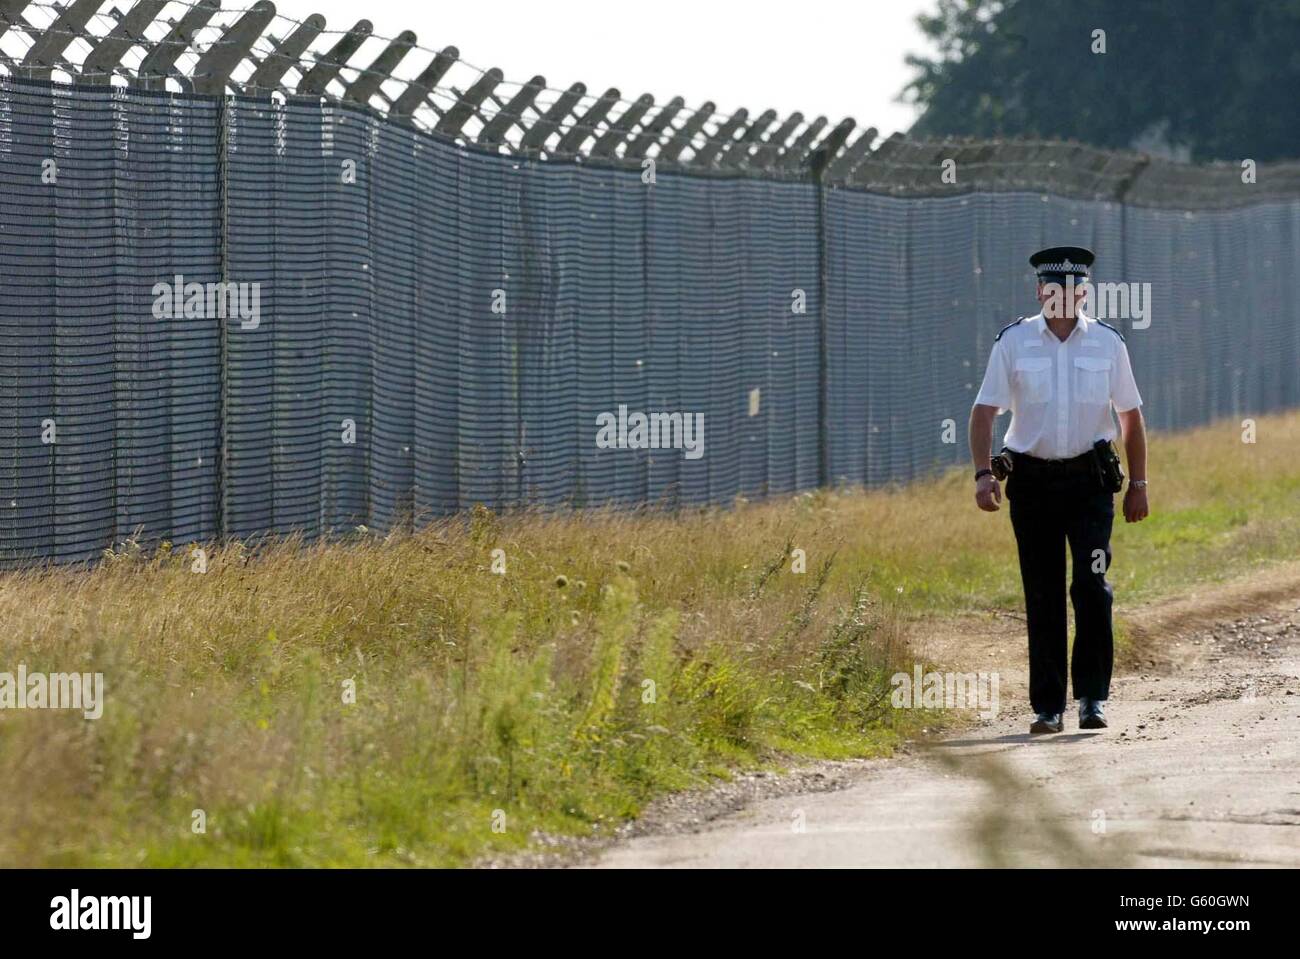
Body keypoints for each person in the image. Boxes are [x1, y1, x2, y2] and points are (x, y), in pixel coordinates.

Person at [968, 246, 1149, 734]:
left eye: (1072, 290)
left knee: (1091, 587)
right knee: (1043, 592)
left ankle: (1092, 697)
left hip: (1090, 485)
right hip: (1033, 485)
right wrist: (984, 475)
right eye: (1053, 291)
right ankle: (1047, 707)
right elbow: (985, 411)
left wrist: (1138, 484)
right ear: (1040, 292)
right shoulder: (1015, 342)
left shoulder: (1108, 344)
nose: (1063, 299)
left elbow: (1129, 416)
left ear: (1084, 293)